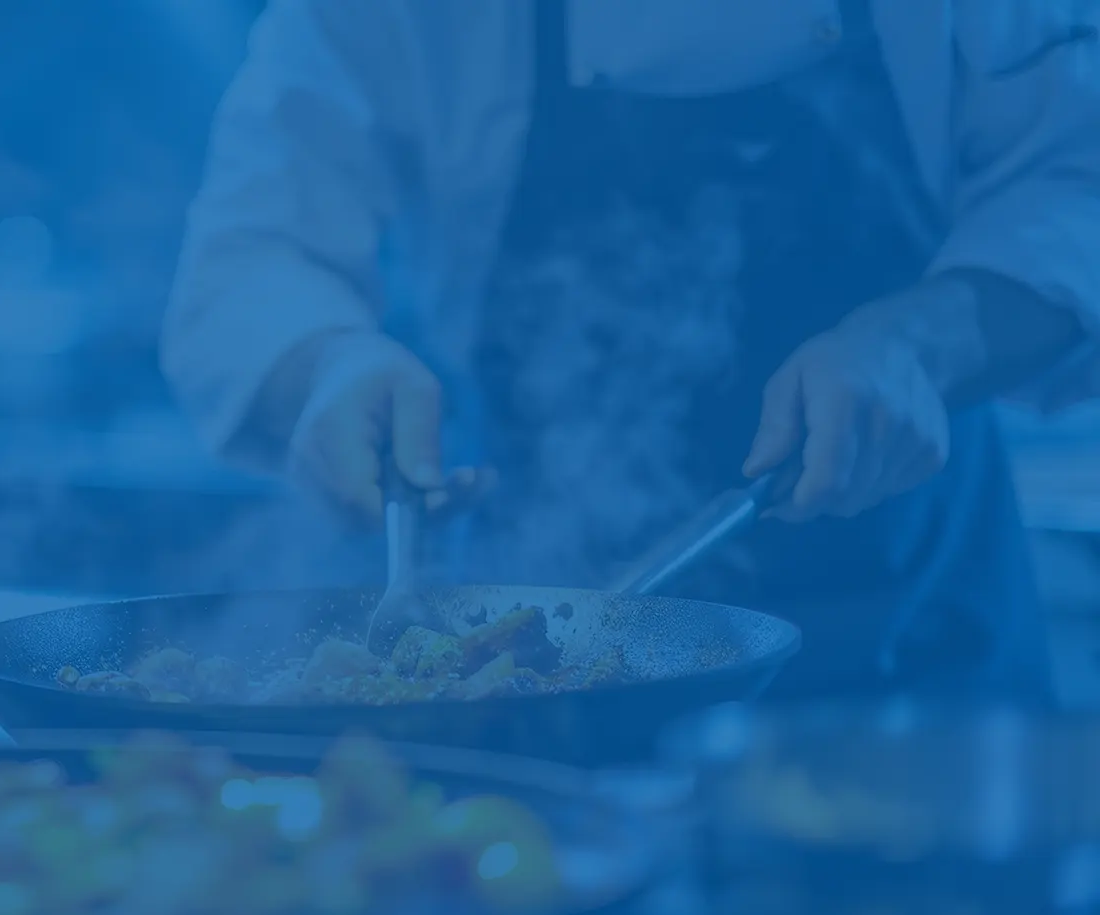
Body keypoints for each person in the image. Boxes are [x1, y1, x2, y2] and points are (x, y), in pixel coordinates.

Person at [161, 0, 1100, 704]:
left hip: (916, 656)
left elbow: (1075, 183)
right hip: (536, 659)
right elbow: (256, 249)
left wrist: (920, 343)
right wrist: (327, 365)